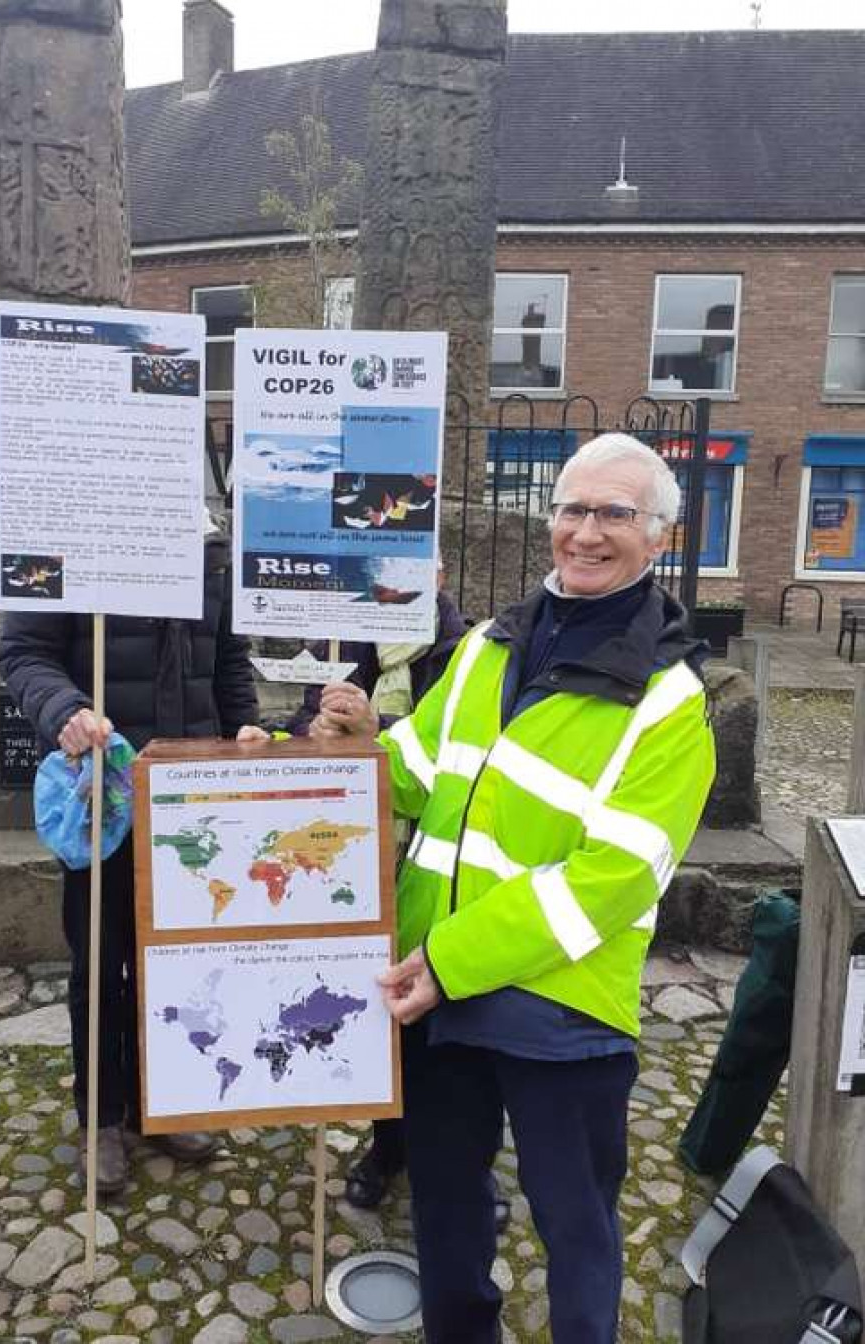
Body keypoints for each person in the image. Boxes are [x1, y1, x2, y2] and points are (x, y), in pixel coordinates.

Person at [308, 434, 717, 1344]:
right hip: (437, 990)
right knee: (448, 1215)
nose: (587, 532)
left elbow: (609, 882)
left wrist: (451, 960)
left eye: (616, 513)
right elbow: (412, 772)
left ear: (659, 536)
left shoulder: (668, 701)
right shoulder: (491, 646)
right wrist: (339, 755)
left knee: (574, 1224)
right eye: (573, 509)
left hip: (557, 1007)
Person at [0, 510, 259, 1196]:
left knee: (176, 962)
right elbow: (23, 653)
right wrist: (65, 710)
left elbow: (226, 658)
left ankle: (162, 1103)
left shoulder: (210, 546)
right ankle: (102, 1117)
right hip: (105, 798)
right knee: (100, 961)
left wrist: (244, 731)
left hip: (192, 793)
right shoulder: (58, 526)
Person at [281, 579, 509, 1231]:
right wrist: (320, 727)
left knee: (464, 1025)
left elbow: (459, 754)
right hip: (358, 853)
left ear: (438, 571)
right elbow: (303, 723)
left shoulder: (466, 650)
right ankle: (387, 1149)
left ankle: (476, 1160)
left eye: (415, 559)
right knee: (384, 1012)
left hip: (437, 867)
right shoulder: (339, 636)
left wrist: (376, 728)